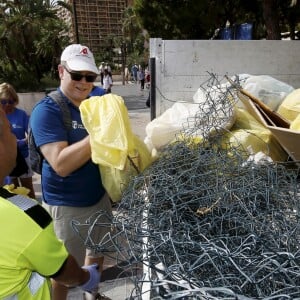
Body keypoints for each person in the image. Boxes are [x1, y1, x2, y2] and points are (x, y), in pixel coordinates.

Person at [30, 44, 112, 300]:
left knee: (96, 252)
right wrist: (99, 132)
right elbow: (61, 164)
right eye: (76, 75)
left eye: (89, 77)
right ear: (60, 72)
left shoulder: (95, 102)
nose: (83, 82)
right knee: (63, 272)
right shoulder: (48, 110)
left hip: (98, 197)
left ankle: (92, 294)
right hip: (66, 207)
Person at [0, 106, 101, 299]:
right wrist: (86, 277)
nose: (14, 138)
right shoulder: (23, 216)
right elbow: (64, 270)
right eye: (9, 131)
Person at [0, 82, 36, 198]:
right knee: (12, 191)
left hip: (24, 157)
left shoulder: (21, 114)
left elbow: (31, 133)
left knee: (28, 190)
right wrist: (20, 142)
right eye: (3, 101)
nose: (7, 105)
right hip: (6, 158)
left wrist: (24, 142)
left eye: (10, 101)